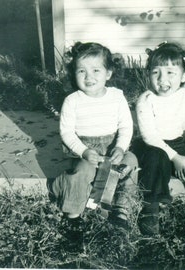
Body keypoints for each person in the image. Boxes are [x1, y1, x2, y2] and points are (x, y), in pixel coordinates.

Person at [48, 42, 138, 251]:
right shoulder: (72, 101)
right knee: (83, 171)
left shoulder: (117, 96)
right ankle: (73, 217)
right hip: (84, 150)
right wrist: (85, 152)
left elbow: (126, 126)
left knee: (131, 162)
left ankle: (121, 211)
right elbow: (67, 133)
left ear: (108, 73)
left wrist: (121, 148)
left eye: (96, 70)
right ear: (74, 73)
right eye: (82, 71)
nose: (89, 77)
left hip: (112, 148)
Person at [133, 41, 185, 236]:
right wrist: (175, 158)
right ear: (148, 74)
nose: (162, 79)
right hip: (151, 145)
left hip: (177, 142)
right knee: (156, 160)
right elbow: (149, 136)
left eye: (170, 72)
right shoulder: (145, 100)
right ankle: (151, 210)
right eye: (156, 73)